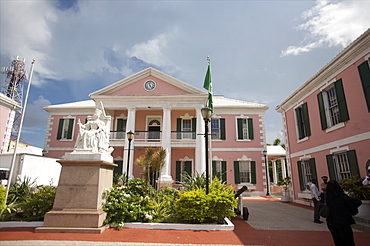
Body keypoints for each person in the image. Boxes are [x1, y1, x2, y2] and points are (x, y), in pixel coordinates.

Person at [326, 180, 358, 246]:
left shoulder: (325, 197)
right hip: (343, 222)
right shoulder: (343, 197)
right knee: (348, 241)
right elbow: (354, 210)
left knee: (337, 241)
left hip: (331, 222)